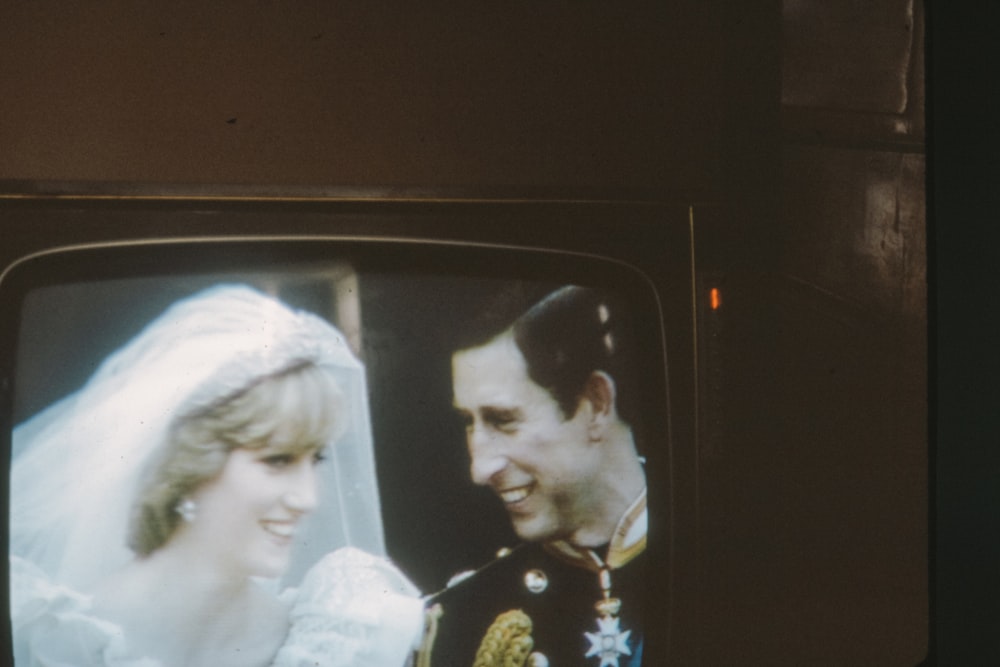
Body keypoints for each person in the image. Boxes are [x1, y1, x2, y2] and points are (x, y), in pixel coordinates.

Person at [10, 284, 424, 667]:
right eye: (277, 460)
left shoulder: (333, 642)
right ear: (188, 464)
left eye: (313, 460)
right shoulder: (51, 637)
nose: (308, 499)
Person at [423, 285, 648, 667]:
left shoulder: (734, 570)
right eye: (468, 422)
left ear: (595, 404)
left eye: (503, 420)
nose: (479, 469)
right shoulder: (467, 617)